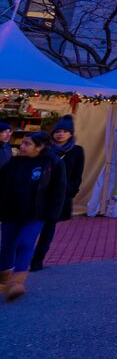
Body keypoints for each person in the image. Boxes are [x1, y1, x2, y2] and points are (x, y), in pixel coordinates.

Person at [0, 132, 66, 301]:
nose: (21, 146)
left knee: (25, 243)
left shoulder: (52, 163)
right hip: (11, 211)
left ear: (40, 146)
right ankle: (4, 277)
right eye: (22, 143)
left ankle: (17, 282)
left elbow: (59, 190)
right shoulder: (14, 162)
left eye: (27, 144)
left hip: (36, 213)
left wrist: (53, 214)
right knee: (7, 245)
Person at [31, 116, 83, 272]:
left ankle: (38, 260)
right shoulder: (44, 149)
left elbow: (77, 175)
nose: (61, 134)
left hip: (59, 197)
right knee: (32, 227)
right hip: (39, 195)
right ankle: (22, 257)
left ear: (71, 134)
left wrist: (69, 191)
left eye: (65, 131)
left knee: (49, 228)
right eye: (58, 131)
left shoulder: (76, 151)